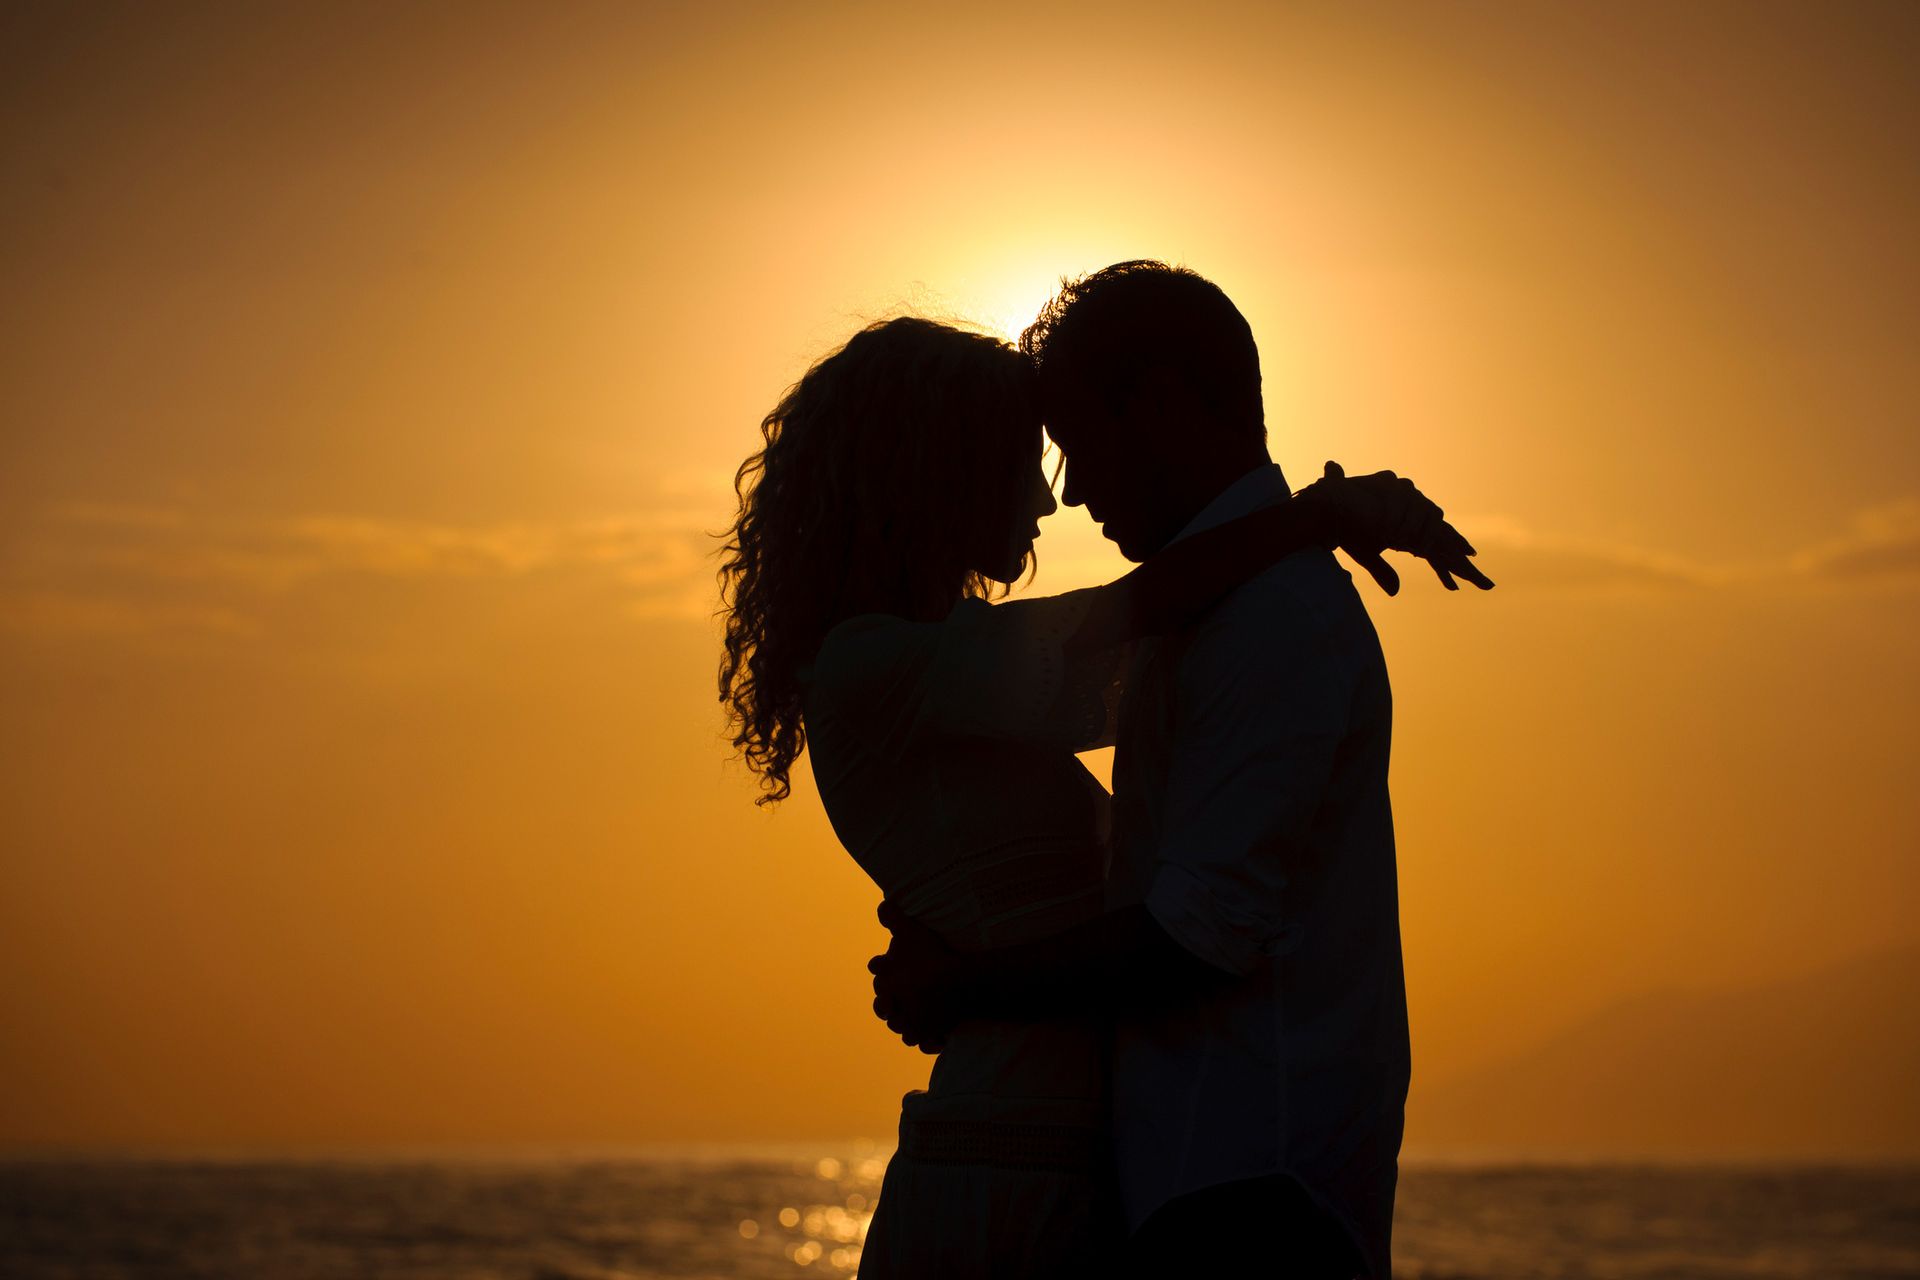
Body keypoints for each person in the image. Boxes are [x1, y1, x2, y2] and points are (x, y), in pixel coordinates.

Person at [720, 311, 1487, 1278]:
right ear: (936, 474)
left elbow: (1151, 654)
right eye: (1022, 461)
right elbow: (1126, 620)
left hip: (1072, 1165)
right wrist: (1316, 518)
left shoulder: (968, 677)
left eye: (1064, 455)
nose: (1052, 501)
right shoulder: (880, 666)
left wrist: (959, 975)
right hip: (1006, 1163)